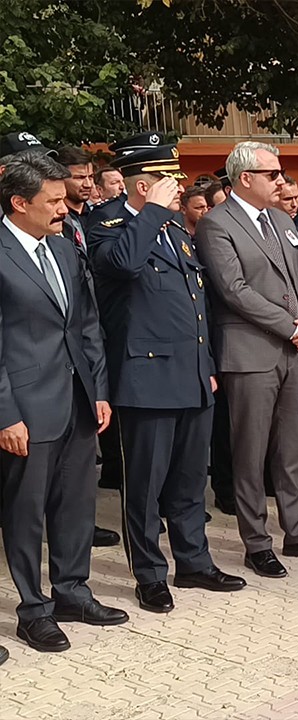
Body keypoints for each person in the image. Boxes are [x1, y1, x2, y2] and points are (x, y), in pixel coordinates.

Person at [86, 144, 247, 613]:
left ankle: (194, 562)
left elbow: (195, 302)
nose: (180, 189)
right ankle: (150, 574)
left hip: (192, 374)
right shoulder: (109, 224)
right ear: (143, 186)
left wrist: (208, 366)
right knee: (146, 484)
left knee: (190, 480)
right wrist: (151, 211)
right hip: (145, 376)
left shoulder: (174, 225)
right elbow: (123, 266)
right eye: (169, 182)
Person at [197, 141, 298, 579]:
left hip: (294, 346)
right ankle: (256, 542)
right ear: (246, 178)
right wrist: (289, 324)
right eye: (272, 174)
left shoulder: (282, 219)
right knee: (250, 450)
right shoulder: (216, 225)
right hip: (251, 352)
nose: (281, 181)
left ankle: (297, 531)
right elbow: (233, 289)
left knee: (291, 447)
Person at [0, 154, 126, 654]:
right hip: (26, 408)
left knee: (76, 506)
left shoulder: (65, 248)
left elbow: (87, 324)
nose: (63, 208)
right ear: (18, 203)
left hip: (77, 401)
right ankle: (33, 609)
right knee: (26, 513)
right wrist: (5, 413)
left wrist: (98, 390)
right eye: (52, 201)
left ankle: (72, 591)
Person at [55, 146, 94, 250]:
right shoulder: (54, 219)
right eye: (79, 178)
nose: (88, 184)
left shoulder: (100, 214)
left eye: (90, 177)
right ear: (61, 178)